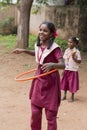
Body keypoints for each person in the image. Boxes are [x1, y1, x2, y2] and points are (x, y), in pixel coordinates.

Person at [13, 21, 65, 130]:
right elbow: (37, 53)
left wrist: (53, 65)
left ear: (51, 34)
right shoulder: (38, 45)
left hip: (50, 82)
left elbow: (63, 64)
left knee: (50, 115)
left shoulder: (55, 48)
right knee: (35, 112)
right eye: (40, 30)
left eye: (45, 31)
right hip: (39, 80)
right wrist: (24, 50)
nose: (41, 32)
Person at [61, 36, 81, 102]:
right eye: (68, 42)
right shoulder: (67, 50)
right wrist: (64, 69)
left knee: (72, 83)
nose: (69, 43)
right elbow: (66, 61)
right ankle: (64, 95)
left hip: (73, 70)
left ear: (75, 43)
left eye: (71, 42)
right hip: (67, 69)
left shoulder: (77, 52)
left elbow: (79, 61)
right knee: (65, 83)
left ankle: (72, 97)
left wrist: (74, 57)